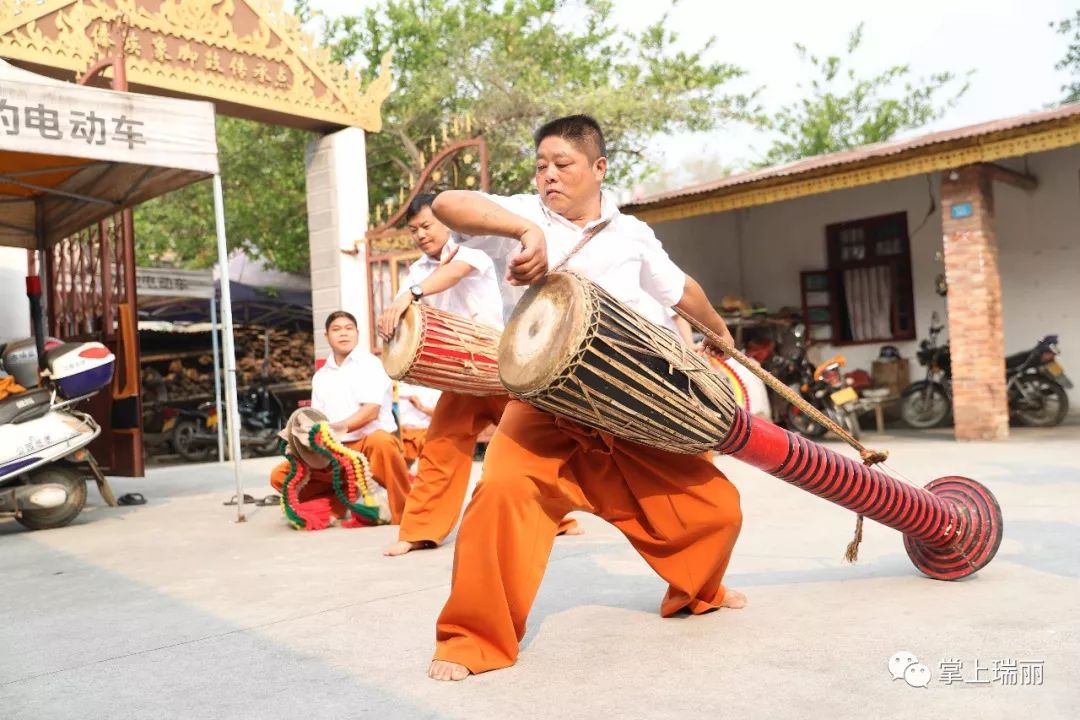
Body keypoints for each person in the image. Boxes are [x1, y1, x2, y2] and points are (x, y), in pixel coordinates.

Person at [425, 115, 746, 681]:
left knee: (714, 509)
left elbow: (682, 291)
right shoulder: (521, 214)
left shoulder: (633, 234)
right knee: (500, 493)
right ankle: (472, 640)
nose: (549, 175)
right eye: (541, 164)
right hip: (544, 401)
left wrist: (722, 336)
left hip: (631, 402)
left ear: (598, 169)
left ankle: (700, 590)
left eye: (563, 164)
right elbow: (448, 201)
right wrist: (528, 234)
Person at [378, 194, 580, 557]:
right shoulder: (416, 272)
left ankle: (560, 517)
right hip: (460, 376)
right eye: (413, 230)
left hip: (497, 367)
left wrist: (410, 293)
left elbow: (449, 276)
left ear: (446, 223)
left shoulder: (470, 253)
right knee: (440, 447)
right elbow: (405, 310)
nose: (421, 235)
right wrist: (393, 318)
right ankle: (421, 529)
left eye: (427, 225)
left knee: (530, 444)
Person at [269, 311, 411, 524]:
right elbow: (316, 418)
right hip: (333, 450)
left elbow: (371, 412)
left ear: (357, 333)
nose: (343, 334)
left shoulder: (371, 364)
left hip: (366, 444)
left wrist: (334, 429)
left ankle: (403, 511)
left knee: (382, 442)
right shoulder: (321, 376)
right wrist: (299, 439)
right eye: (336, 329)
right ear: (327, 336)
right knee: (280, 476)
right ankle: (342, 498)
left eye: (348, 328)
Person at [396, 381, 441, 466]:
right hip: (397, 430)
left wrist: (421, 408)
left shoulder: (433, 388)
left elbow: (442, 414)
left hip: (422, 432)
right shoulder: (396, 385)